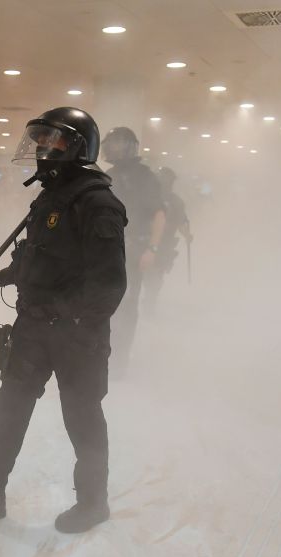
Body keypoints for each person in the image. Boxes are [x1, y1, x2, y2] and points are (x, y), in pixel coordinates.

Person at [0, 107, 127, 534]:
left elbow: (109, 286)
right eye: (39, 138)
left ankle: (94, 503)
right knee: (9, 412)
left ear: (78, 147)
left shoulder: (98, 203)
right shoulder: (50, 198)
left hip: (78, 338)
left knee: (82, 418)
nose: (43, 148)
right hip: (33, 330)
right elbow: (34, 264)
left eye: (53, 140)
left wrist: (69, 320)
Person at [100, 126, 165, 376]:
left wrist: (152, 248)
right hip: (106, 248)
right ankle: (102, 355)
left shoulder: (144, 176)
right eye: (111, 143)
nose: (113, 148)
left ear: (129, 146)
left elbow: (159, 213)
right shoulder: (109, 175)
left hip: (133, 249)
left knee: (126, 305)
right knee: (103, 303)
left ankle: (118, 363)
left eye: (118, 143)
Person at [144, 167, 191, 315]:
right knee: (141, 273)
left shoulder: (176, 202)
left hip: (164, 244)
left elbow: (182, 221)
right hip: (145, 241)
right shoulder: (149, 198)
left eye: (167, 180)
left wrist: (187, 234)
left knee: (156, 276)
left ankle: (149, 302)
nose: (165, 183)